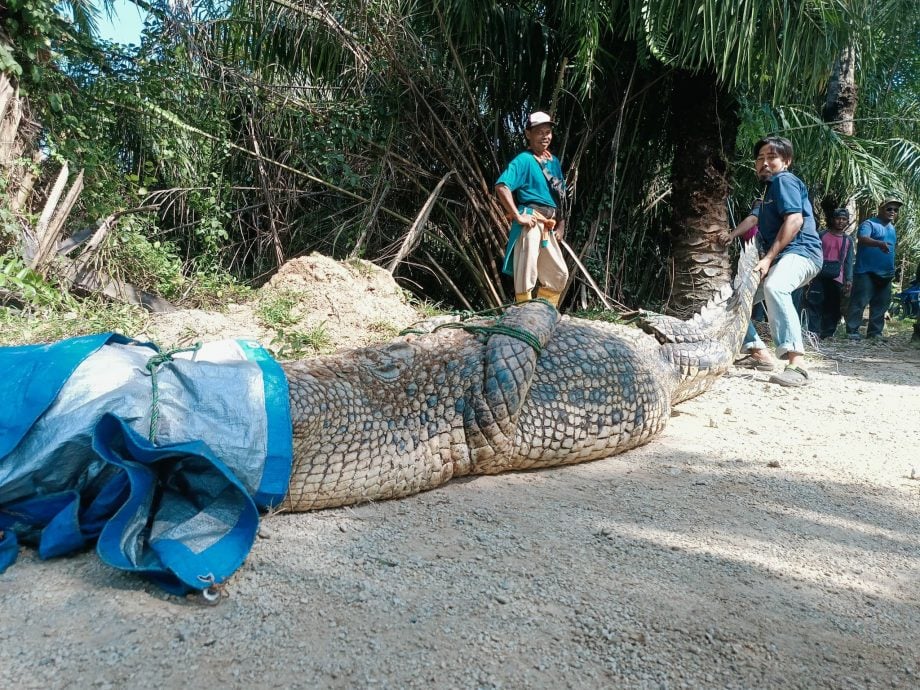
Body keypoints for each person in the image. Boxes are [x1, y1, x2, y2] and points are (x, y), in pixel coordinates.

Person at [730, 136, 823, 386]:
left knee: (776, 287)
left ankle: (797, 365)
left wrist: (768, 259)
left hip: (802, 252)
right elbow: (753, 219)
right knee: (735, 298)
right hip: (783, 258)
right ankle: (757, 351)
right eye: (760, 158)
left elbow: (795, 221)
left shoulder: (785, 180)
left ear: (786, 161)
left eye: (772, 157)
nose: (764, 163)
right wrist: (728, 236)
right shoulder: (769, 192)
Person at [495, 111, 569, 309]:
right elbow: (502, 186)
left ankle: (544, 312)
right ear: (528, 134)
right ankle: (524, 313)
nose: (545, 136)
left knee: (559, 273)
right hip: (532, 220)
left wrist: (561, 225)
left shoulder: (553, 162)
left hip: (549, 224)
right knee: (526, 269)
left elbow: (560, 197)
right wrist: (518, 216)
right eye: (539, 132)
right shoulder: (524, 160)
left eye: (548, 132)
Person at [845, 197, 902, 339]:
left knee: (881, 305)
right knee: (859, 302)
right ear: (881, 209)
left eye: (895, 210)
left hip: (886, 274)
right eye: (889, 209)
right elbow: (863, 238)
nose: (893, 212)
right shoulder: (869, 224)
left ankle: (875, 333)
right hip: (866, 272)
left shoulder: (892, 228)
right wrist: (879, 243)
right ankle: (852, 331)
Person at [804, 208, 854, 338]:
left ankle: (827, 333)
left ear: (847, 221)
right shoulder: (822, 235)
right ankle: (813, 332)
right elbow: (812, 253)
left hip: (837, 277)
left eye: (844, 219)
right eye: (838, 218)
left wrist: (848, 279)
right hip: (818, 275)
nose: (840, 221)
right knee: (815, 303)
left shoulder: (848, 240)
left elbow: (848, 261)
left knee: (833, 307)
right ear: (832, 219)